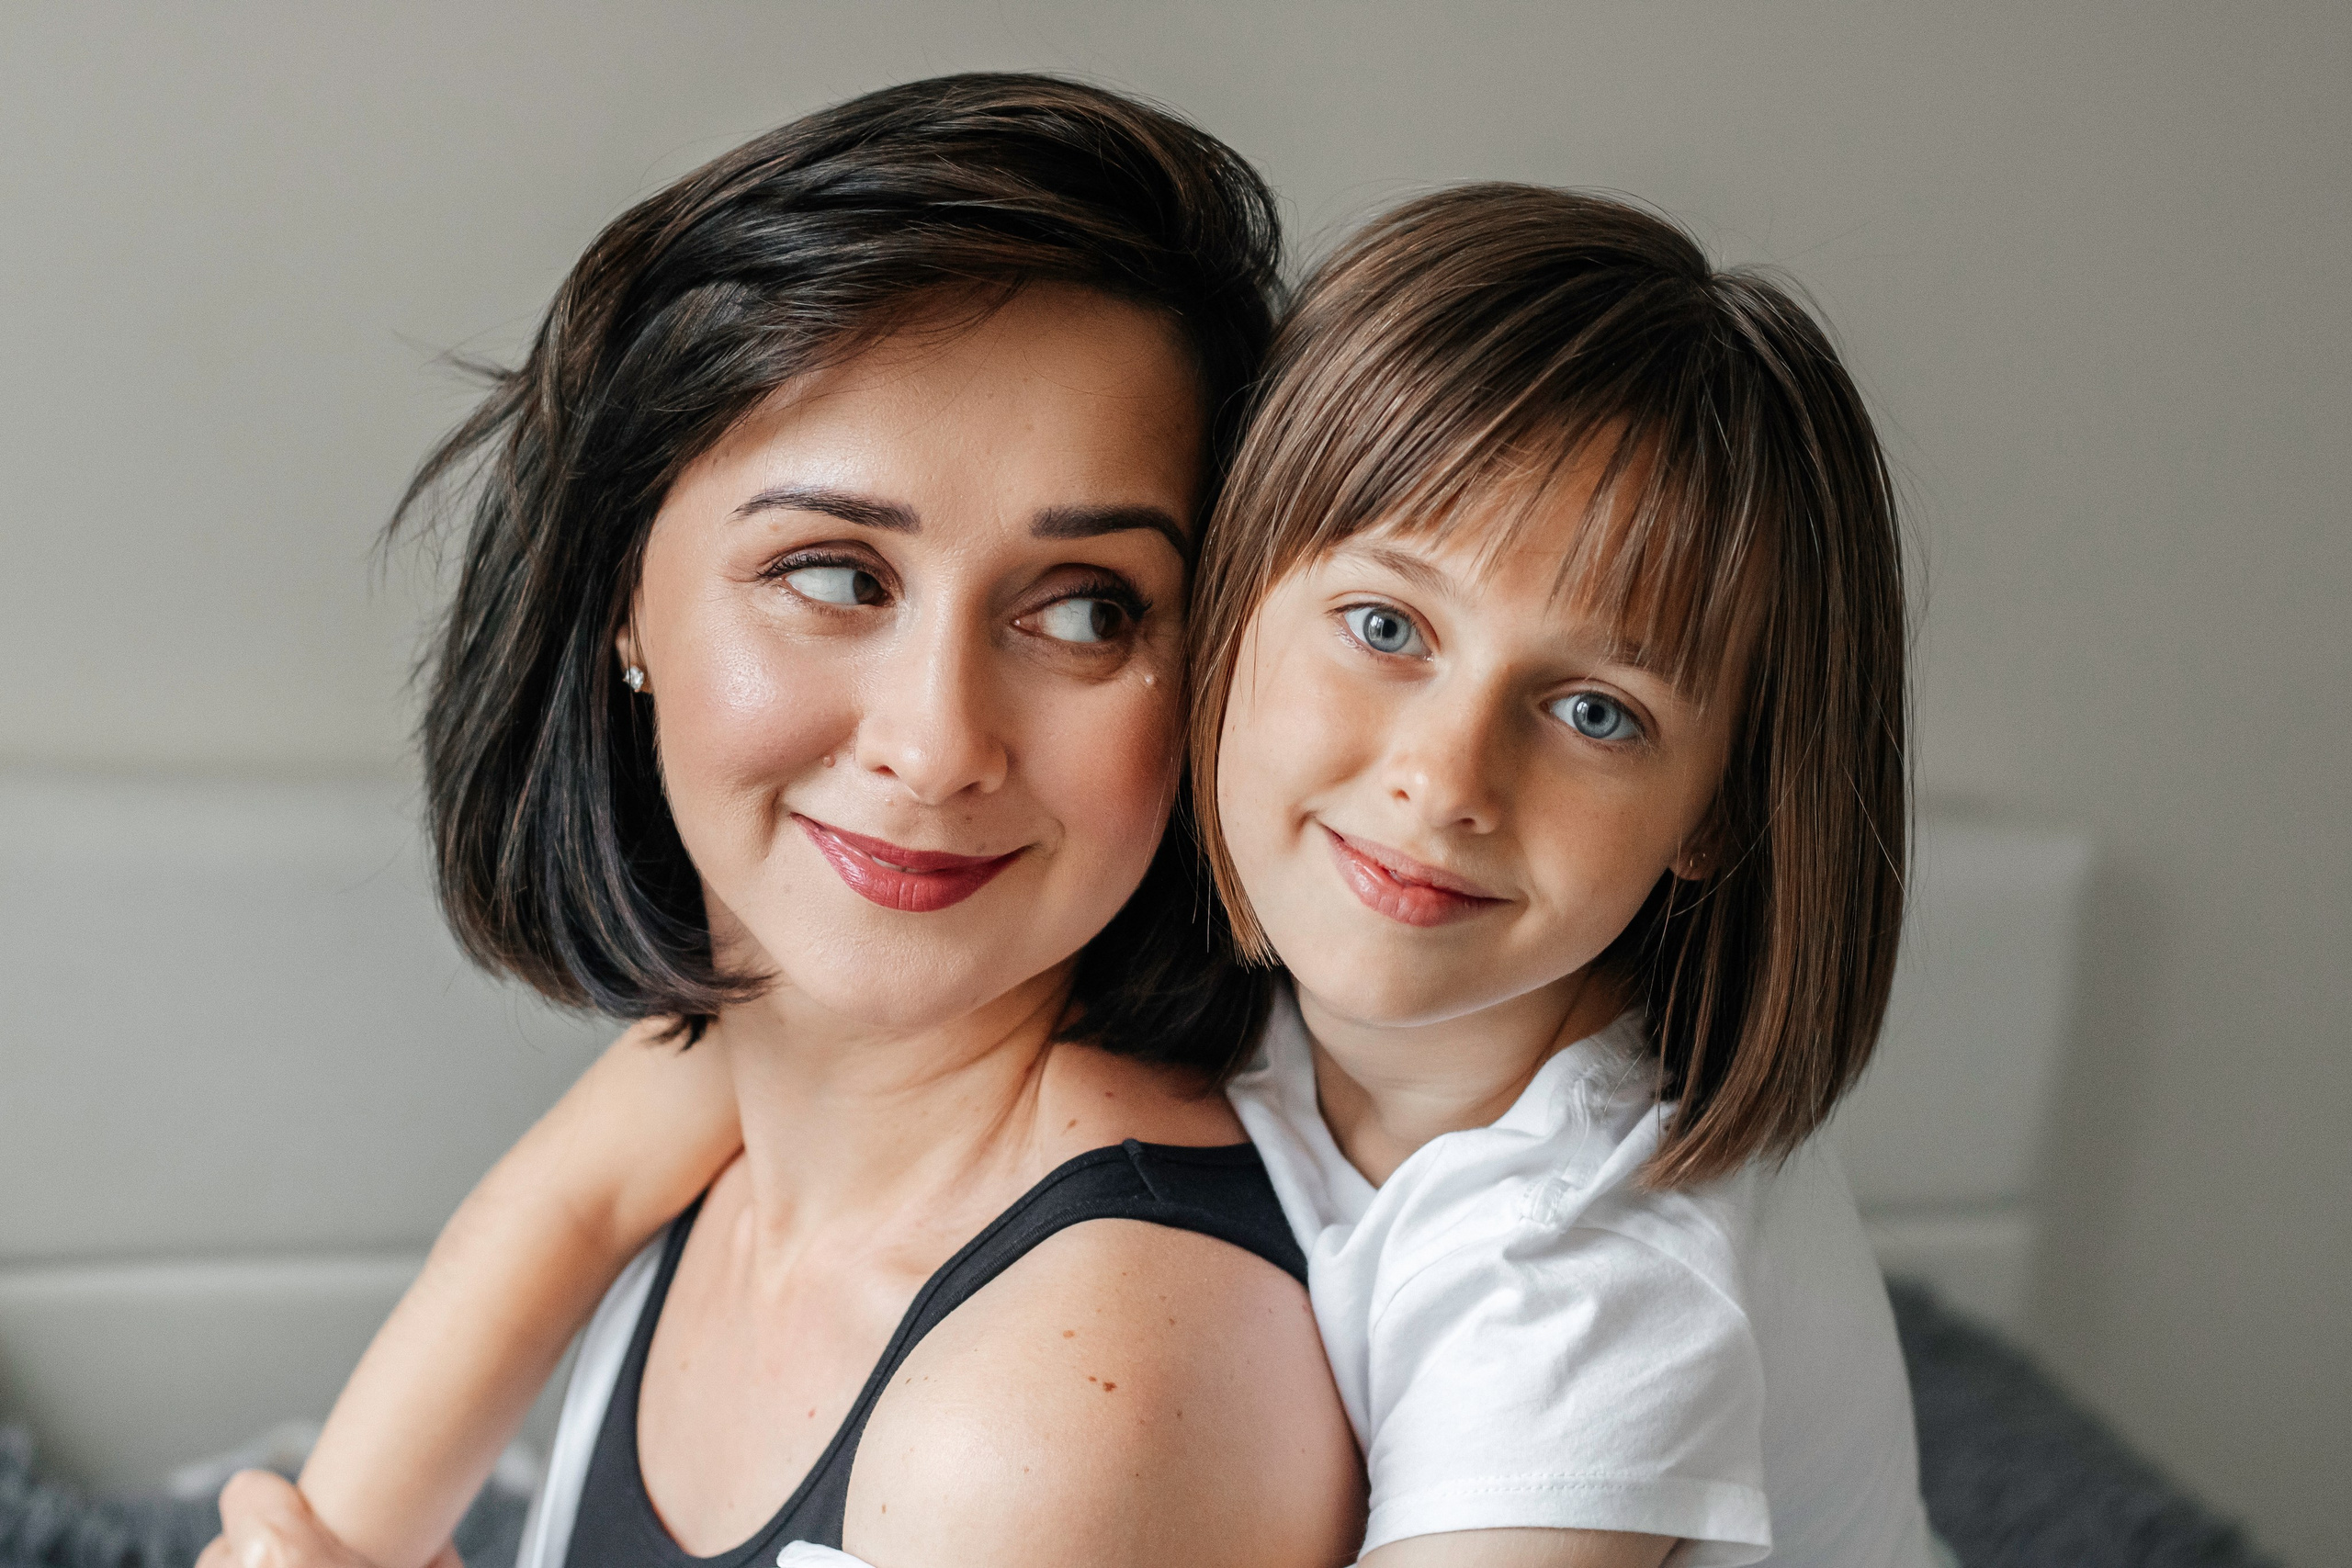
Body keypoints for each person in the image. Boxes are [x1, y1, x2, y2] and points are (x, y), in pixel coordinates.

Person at [214, 182, 1937, 1567]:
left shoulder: (1569, 1285)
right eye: (828, 572)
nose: (1436, 782)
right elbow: (561, 1201)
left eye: (1088, 606)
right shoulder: (1265, 971)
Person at [199, 72, 1366, 1568]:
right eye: (834, 575)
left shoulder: (1062, 1416)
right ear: (624, 593)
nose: (939, 745)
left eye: (1085, 609)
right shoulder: (734, 1095)